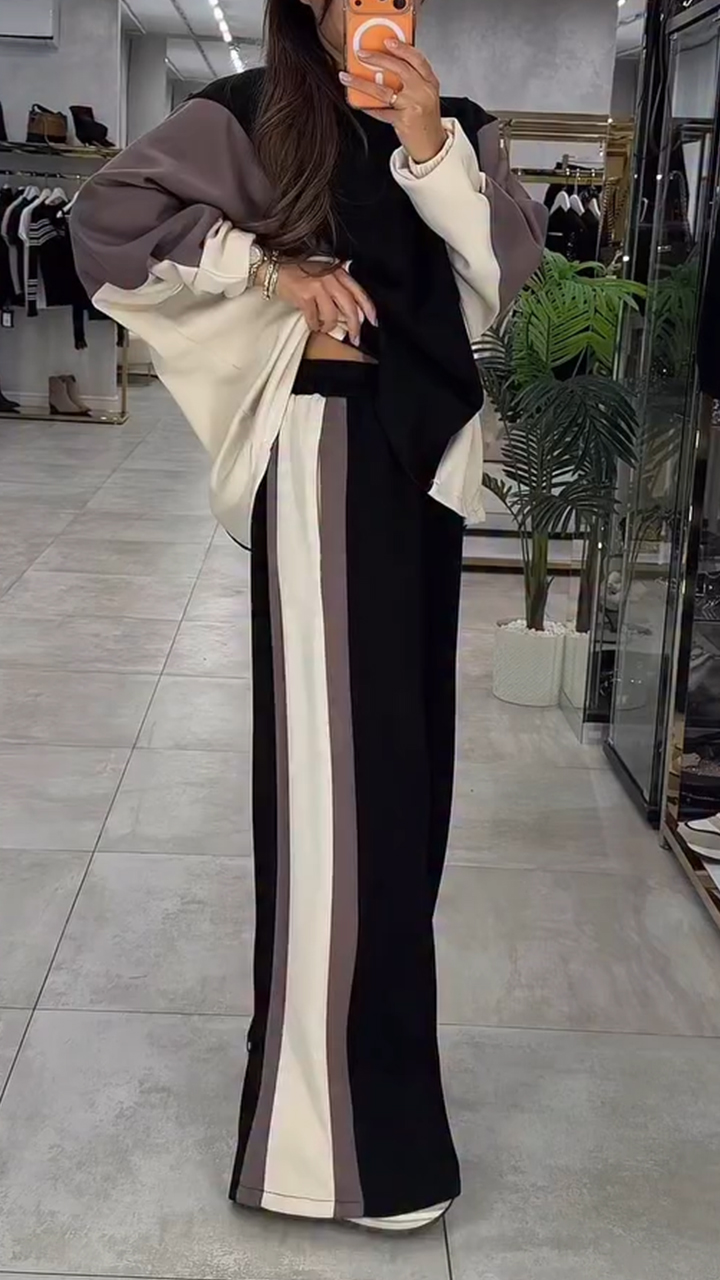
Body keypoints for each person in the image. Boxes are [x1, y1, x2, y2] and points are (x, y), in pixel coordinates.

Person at [70, 0, 546, 1235]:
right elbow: (106, 222)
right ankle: (326, 1151)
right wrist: (268, 269)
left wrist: (430, 147)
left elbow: (505, 287)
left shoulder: (462, 128)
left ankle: (366, 1121)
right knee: (337, 799)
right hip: (324, 453)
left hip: (423, 464)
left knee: (401, 789)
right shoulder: (251, 117)